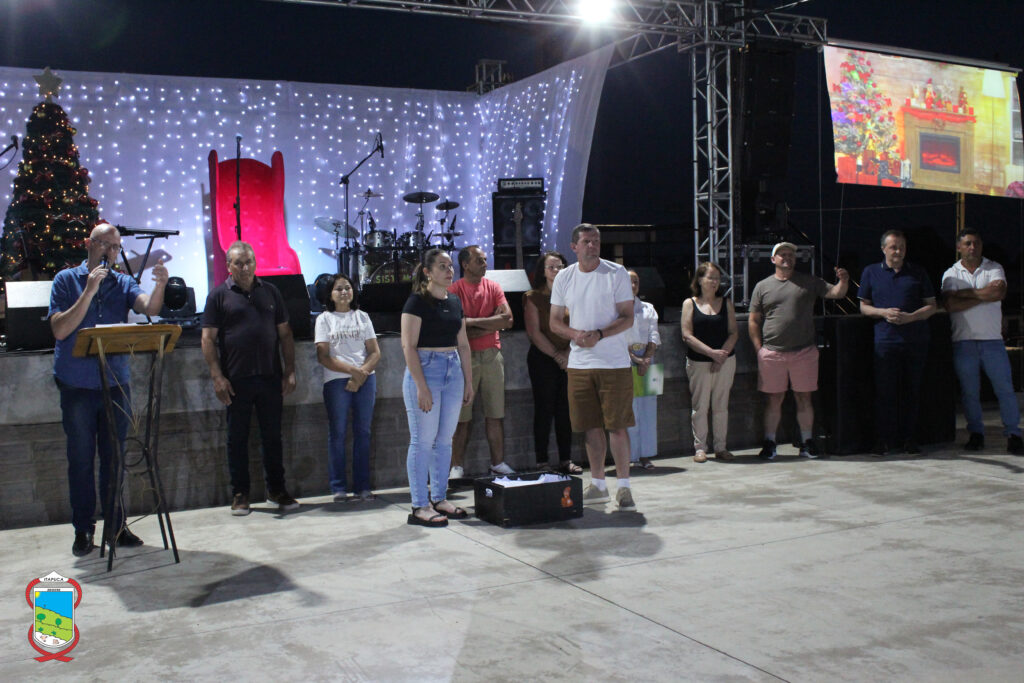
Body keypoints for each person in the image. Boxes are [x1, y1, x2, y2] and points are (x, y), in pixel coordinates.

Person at [49, 220, 168, 556]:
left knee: (114, 459)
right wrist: (88, 291)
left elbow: (149, 308)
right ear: (90, 244)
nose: (111, 252)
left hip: (115, 383)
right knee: (81, 459)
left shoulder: (123, 282)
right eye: (105, 245)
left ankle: (116, 526)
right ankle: (83, 529)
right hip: (77, 385)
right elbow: (60, 330)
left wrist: (159, 285)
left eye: (116, 247)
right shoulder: (66, 280)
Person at [201, 241, 300, 515]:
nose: (245, 268)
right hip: (236, 380)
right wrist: (217, 376)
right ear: (229, 266)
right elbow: (207, 339)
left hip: (270, 376)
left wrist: (290, 370)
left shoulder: (271, 292)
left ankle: (277, 490)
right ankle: (240, 494)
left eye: (249, 262)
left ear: (255, 263)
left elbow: (285, 334)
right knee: (237, 438)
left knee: (273, 437)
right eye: (239, 263)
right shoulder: (218, 296)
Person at [549, 224, 637, 511]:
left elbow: (627, 316)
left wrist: (599, 334)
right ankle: (598, 484)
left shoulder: (616, 272)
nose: (592, 246)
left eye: (596, 241)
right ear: (574, 246)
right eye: (586, 241)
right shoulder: (564, 277)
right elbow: (554, 322)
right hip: (580, 363)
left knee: (617, 425)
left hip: (613, 362)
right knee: (589, 426)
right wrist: (576, 335)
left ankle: (624, 487)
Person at [749, 242, 850, 460]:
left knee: (804, 398)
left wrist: (843, 280)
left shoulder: (809, 281)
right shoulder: (762, 286)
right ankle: (770, 443)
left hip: (804, 351)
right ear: (773, 259)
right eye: (782, 254)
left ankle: (807, 442)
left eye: (791, 255)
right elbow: (754, 320)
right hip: (772, 353)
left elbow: (836, 293)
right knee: (773, 399)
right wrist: (759, 349)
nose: (787, 258)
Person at [401, 248, 474, 527]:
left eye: (450, 266)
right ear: (427, 272)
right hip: (426, 368)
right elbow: (408, 346)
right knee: (423, 440)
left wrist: (468, 381)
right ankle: (420, 504)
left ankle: (440, 497)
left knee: (445, 440)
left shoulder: (454, 301)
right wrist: (421, 387)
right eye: (442, 266)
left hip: (452, 369)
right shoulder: (417, 302)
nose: (449, 270)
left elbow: (463, 344)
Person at [940, 228, 1023, 454]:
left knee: (1005, 390)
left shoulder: (994, 268)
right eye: (967, 243)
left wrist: (965, 293)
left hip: (992, 341)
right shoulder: (951, 274)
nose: (972, 247)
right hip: (963, 341)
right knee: (969, 393)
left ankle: (1014, 434)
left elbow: (998, 294)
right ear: (959, 247)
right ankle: (976, 433)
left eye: (976, 243)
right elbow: (950, 304)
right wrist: (982, 294)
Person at [858, 230, 937, 455]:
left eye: (902, 247)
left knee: (912, 391)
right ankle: (883, 440)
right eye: (893, 247)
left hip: (915, 341)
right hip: (885, 342)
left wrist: (911, 317)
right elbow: (863, 307)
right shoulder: (871, 272)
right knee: (885, 392)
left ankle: (909, 439)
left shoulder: (918, 272)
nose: (898, 251)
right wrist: (883, 312)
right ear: (883, 248)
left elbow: (932, 306)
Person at [448, 245, 515, 478]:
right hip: (464, 358)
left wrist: (471, 322)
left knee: (495, 413)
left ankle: (498, 463)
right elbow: (455, 327)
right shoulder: (454, 290)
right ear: (465, 264)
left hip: (492, 355)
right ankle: (456, 466)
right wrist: (490, 323)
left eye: (485, 260)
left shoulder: (493, 287)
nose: (485, 264)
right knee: (462, 418)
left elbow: (508, 320)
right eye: (479, 260)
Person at [314, 273, 381, 503]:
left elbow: (375, 352)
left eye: (348, 288)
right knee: (338, 433)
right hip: (336, 380)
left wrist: (361, 376)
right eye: (339, 289)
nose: (344, 292)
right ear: (330, 294)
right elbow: (323, 356)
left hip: (365, 380)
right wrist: (354, 372)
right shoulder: (324, 319)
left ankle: (362, 487)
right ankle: (338, 487)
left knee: (363, 432)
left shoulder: (362, 317)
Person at [523, 251, 581, 473]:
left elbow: (578, 326)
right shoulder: (533, 297)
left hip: (569, 356)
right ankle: (542, 461)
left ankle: (566, 459)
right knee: (544, 408)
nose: (557, 270)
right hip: (543, 359)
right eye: (552, 267)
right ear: (543, 271)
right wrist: (557, 356)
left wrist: (567, 353)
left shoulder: (573, 296)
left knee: (565, 409)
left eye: (560, 266)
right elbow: (534, 333)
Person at [681, 262, 738, 462]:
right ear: (699, 279)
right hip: (699, 362)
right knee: (700, 406)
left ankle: (721, 447)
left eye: (717, 278)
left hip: (725, 362)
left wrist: (721, 356)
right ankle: (700, 448)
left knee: (721, 405)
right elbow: (687, 335)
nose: (714, 282)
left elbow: (733, 333)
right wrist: (711, 353)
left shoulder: (726, 303)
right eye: (710, 277)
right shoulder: (690, 303)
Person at [625, 269, 662, 469]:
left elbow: (653, 335)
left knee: (649, 411)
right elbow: (617, 339)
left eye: (636, 282)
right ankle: (630, 456)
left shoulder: (648, 308)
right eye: (629, 281)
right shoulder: (614, 309)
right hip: (625, 362)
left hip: (648, 363)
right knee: (629, 411)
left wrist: (646, 359)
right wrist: (635, 359)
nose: (633, 286)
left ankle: (646, 455)